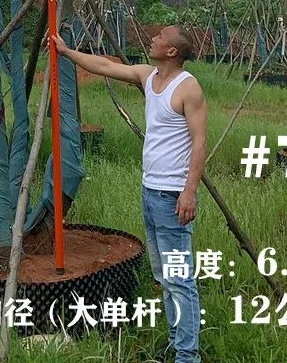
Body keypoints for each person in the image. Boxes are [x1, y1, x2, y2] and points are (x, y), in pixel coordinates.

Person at [51, 24, 206, 363]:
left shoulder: (188, 88)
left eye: (161, 37)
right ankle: (176, 343)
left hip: (173, 197)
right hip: (150, 192)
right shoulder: (148, 77)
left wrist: (189, 192)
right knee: (163, 277)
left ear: (172, 51)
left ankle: (188, 355)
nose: (153, 38)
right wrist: (66, 52)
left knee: (179, 279)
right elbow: (105, 66)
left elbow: (199, 142)